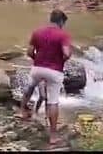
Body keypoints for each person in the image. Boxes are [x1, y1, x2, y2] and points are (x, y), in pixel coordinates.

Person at [20, 9, 71, 147]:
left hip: (37, 68)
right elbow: (66, 54)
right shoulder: (63, 35)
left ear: (51, 19)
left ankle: (22, 111)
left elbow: (29, 52)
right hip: (54, 71)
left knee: (30, 86)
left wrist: (37, 60)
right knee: (53, 102)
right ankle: (53, 136)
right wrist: (61, 60)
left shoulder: (37, 32)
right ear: (61, 21)